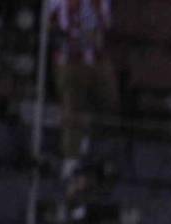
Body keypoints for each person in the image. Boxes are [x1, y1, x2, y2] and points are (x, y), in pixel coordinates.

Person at [49, 0, 118, 176]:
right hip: (69, 60)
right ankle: (71, 159)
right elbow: (54, 24)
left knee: (108, 102)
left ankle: (97, 151)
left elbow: (106, 24)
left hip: (97, 59)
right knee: (72, 105)